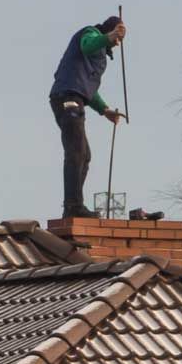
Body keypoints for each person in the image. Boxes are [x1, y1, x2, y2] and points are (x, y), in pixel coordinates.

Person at [48, 15, 126, 219]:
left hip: (72, 97)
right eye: (117, 38)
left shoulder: (97, 56)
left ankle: (72, 207)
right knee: (76, 151)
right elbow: (87, 45)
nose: (117, 43)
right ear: (108, 31)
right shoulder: (91, 33)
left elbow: (86, 87)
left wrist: (104, 109)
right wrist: (108, 36)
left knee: (84, 155)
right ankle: (73, 206)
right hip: (68, 98)